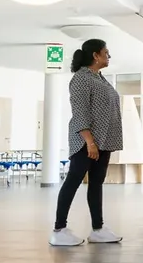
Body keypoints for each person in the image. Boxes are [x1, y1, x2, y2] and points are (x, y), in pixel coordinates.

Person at [50, 39, 124, 247]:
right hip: (86, 141)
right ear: (95, 55)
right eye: (106, 52)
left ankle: (98, 229)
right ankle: (59, 229)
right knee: (73, 181)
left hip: (103, 141)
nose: (109, 56)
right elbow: (80, 112)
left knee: (97, 183)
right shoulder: (81, 78)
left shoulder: (99, 77)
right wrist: (90, 142)